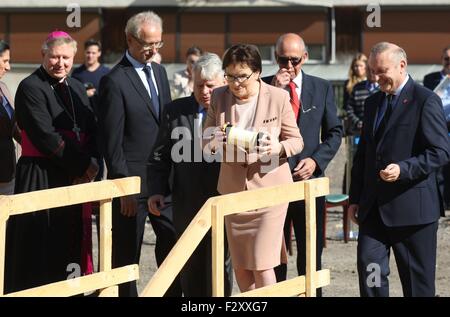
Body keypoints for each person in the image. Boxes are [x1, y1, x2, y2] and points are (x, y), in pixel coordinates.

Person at [349, 42, 450, 297]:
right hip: (373, 209)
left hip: (413, 210)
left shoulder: (425, 100)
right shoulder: (373, 103)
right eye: (372, 71)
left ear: (402, 65)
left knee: (417, 286)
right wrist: (354, 199)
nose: (376, 77)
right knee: (369, 268)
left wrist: (404, 169)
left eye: (382, 71)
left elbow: (440, 151)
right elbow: (364, 155)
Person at [203, 44, 303, 291]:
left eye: (242, 76)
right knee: (241, 265)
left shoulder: (278, 97)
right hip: (234, 192)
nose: (236, 83)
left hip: (270, 192)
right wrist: (214, 140)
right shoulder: (218, 96)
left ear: (257, 72)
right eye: (230, 76)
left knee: (262, 262)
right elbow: (205, 142)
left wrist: (278, 149)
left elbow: (297, 141)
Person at [4, 31, 99, 293]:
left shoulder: (77, 87)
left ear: (73, 57)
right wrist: (83, 167)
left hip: (74, 173)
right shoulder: (30, 87)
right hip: (40, 175)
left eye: (66, 58)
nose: (61, 63)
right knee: (39, 243)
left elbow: (92, 129)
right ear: (42, 55)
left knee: (70, 242)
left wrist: (91, 163)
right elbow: (45, 136)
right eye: (54, 56)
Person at [98, 11, 180, 297]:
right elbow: (112, 141)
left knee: (173, 245)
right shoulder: (114, 81)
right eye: (148, 44)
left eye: (158, 43)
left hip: (164, 181)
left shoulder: (158, 71)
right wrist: (124, 188)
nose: (154, 50)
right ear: (130, 39)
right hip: (133, 186)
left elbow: (167, 125)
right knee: (127, 255)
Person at [147, 53, 233, 296]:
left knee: (220, 267)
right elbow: (159, 156)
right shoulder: (175, 111)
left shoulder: (234, 110)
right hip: (186, 205)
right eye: (199, 85)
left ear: (223, 83)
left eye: (210, 86)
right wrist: (156, 190)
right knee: (190, 268)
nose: (205, 91)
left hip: (223, 202)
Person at [263, 33, 342, 291]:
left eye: (294, 60)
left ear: (305, 58)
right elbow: (256, 128)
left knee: (311, 256)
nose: (288, 66)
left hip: (309, 182)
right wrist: (275, 90)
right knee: (274, 256)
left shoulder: (321, 87)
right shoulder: (264, 86)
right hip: (274, 182)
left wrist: (316, 162)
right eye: (282, 59)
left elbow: (335, 132)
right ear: (275, 58)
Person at [423, 46, 450, 209]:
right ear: (442, 60)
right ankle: (440, 202)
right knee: (439, 164)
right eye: (446, 58)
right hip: (437, 126)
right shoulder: (430, 78)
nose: (449, 62)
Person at [0, 40, 21, 195]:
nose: (8, 67)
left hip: (6, 170)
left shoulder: (3, 88)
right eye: (5, 61)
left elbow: (13, 126)